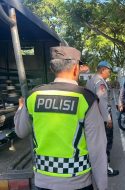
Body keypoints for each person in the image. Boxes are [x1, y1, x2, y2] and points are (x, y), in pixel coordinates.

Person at [14, 46, 107, 190]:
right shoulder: (86, 99)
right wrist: (102, 186)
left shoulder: (33, 97)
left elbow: (20, 131)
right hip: (77, 181)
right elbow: (98, 149)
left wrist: (20, 108)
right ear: (76, 68)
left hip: (42, 181)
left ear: (52, 69)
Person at [86, 60, 119, 177]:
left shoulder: (90, 81)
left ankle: (95, 166)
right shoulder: (100, 83)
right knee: (106, 142)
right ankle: (105, 168)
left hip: (92, 117)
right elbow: (103, 102)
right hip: (102, 118)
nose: (109, 73)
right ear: (103, 69)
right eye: (108, 71)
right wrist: (108, 119)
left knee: (95, 143)